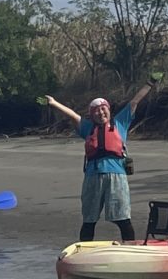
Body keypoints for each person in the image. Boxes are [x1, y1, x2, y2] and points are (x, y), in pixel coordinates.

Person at [43, 86, 154, 242]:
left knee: (123, 218)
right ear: (91, 115)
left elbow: (135, 100)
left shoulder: (120, 123)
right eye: (96, 110)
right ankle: (84, 251)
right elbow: (73, 116)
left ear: (109, 110)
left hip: (117, 177)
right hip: (92, 177)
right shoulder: (87, 128)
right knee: (89, 219)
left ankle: (130, 248)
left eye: (103, 109)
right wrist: (53, 103)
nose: (101, 112)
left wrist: (150, 83)